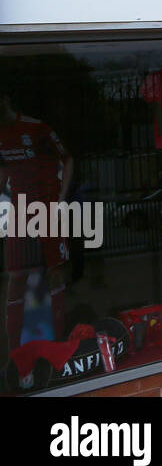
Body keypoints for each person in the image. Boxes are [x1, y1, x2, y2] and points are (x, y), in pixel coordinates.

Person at [0, 91, 73, 353]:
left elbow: (68, 158)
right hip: (19, 214)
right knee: (16, 277)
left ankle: (58, 344)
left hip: (47, 209)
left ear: (6, 100)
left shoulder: (35, 127)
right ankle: (13, 352)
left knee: (55, 273)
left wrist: (61, 199)